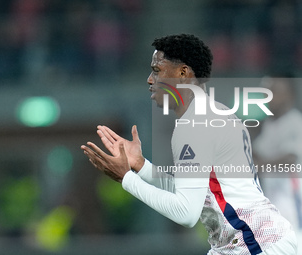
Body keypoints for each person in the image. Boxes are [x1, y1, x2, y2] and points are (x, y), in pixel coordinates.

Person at [81, 34, 298, 254]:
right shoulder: (216, 112)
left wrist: (126, 179)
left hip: (254, 243)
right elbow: (198, 191)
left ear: (182, 73)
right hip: (253, 240)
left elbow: (186, 213)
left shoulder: (195, 124)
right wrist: (142, 166)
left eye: (157, 71)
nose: (149, 79)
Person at [253, 75, 302, 254]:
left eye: (274, 92)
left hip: (294, 211)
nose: (269, 97)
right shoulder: (270, 125)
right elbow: (255, 153)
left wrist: (261, 164)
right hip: (273, 210)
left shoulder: (295, 122)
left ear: (289, 95)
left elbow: (290, 159)